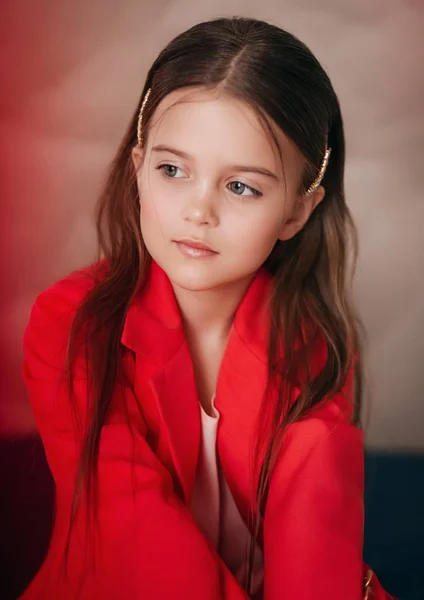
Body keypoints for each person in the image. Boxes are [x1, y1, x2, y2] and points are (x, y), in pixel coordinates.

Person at [20, 16, 396, 600]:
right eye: (173, 170)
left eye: (241, 186)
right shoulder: (72, 323)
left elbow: (315, 555)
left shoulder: (312, 344)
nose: (199, 212)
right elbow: (135, 535)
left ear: (298, 211)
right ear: (138, 166)